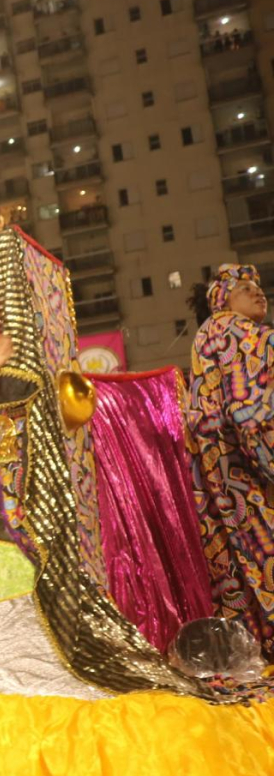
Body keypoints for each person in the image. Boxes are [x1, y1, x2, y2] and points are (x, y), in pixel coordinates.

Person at [186, 265, 274, 659]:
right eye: (245, 288)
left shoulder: (210, 334)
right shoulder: (232, 328)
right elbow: (250, 411)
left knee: (240, 563)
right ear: (222, 299)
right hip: (245, 469)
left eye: (259, 288)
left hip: (220, 472)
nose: (259, 294)